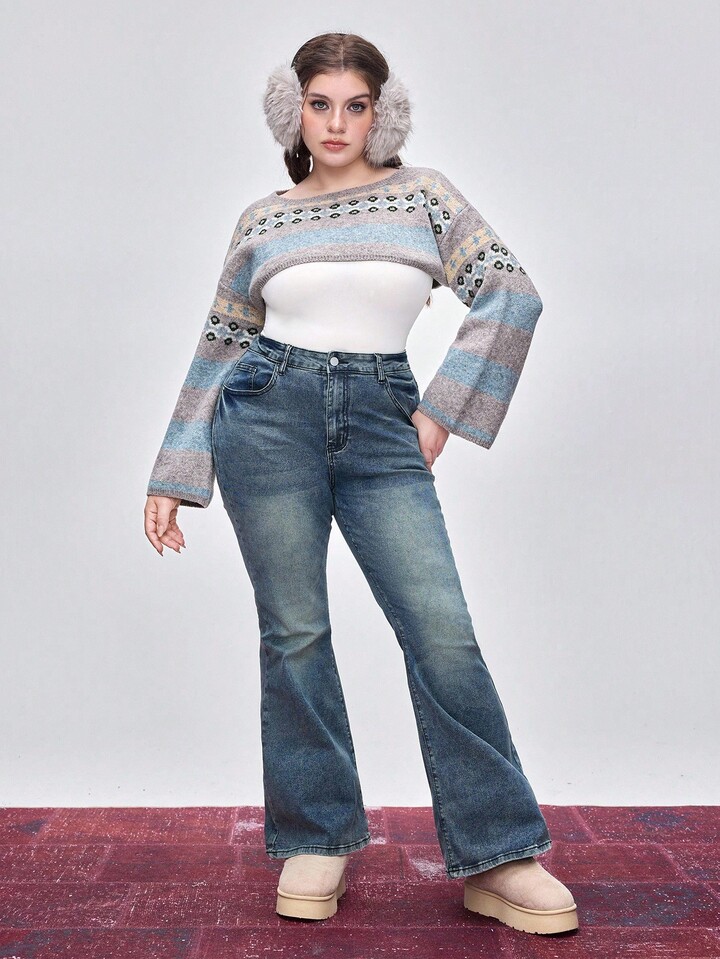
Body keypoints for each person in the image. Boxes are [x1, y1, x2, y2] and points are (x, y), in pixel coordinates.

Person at [143, 32, 579, 937]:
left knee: (442, 630)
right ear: (293, 110)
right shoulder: (262, 219)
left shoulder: (424, 195)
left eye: (355, 105)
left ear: (381, 113)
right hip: (265, 417)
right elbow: (222, 341)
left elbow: (513, 292)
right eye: (319, 104)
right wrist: (176, 469)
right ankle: (317, 836)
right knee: (294, 632)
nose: (336, 123)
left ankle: (500, 852)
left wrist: (441, 413)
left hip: (384, 419)